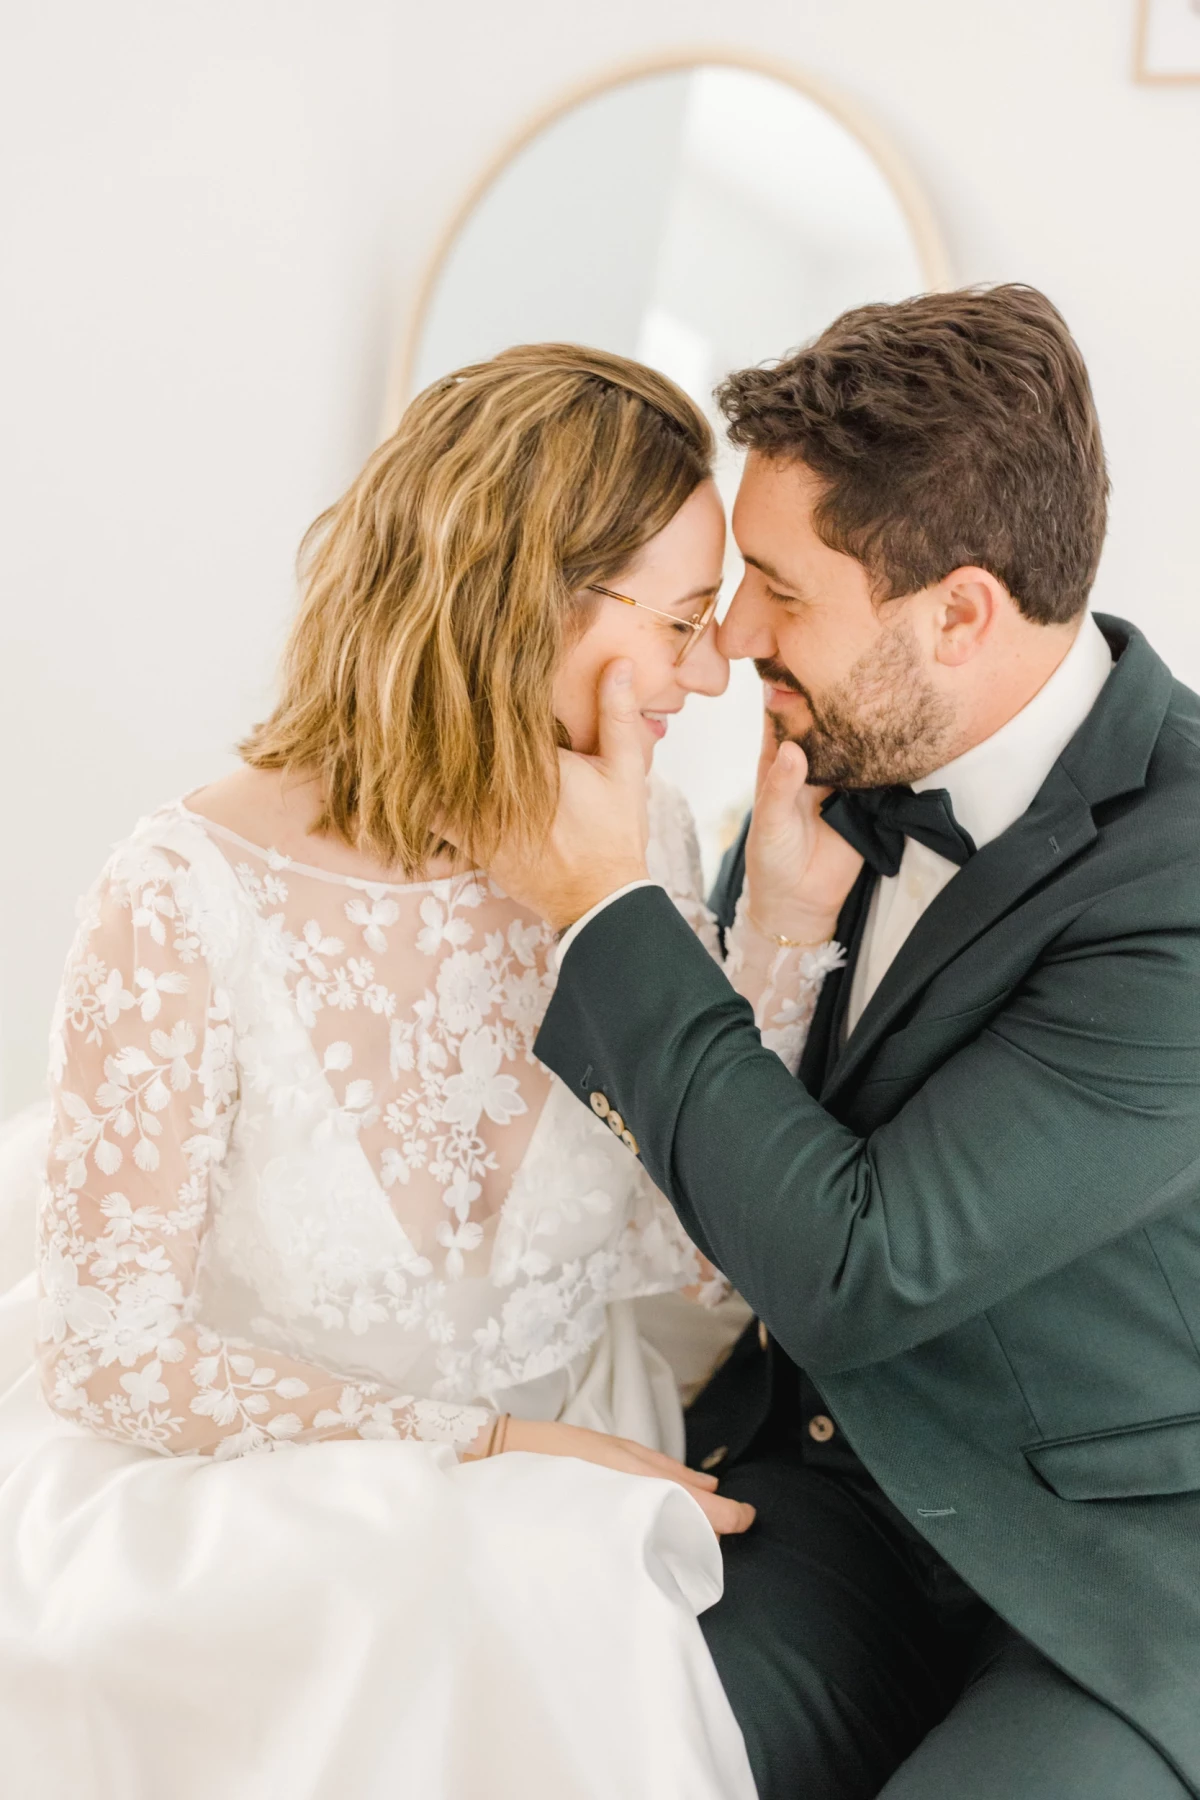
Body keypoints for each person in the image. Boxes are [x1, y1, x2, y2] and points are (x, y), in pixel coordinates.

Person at [0, 345, 847, 1799]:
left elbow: (698, 1269)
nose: (712, 673)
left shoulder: (641, 854)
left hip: (569, 1481)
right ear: (533, 598)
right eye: (683, 620)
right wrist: (498, 1448)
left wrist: (779, 926)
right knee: (435, 1585)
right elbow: (112, 1352)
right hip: (247, 1502)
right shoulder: (181, 894)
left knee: (521, 1590)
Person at [484, 287, 1200, 1799]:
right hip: (816, 1505)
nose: (732, 638)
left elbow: (869, 1261)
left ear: (960, 611)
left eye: (778, 590)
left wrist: (610, 910)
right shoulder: (826, 775)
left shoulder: (1187, 877)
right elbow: (726, 1171)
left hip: (1111, 1587)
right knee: (590, 1750)